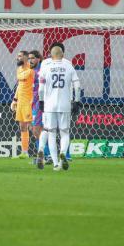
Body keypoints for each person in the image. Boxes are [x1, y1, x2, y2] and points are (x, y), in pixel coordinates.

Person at [37, 42, 82, 172]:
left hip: (50, 105)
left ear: (51, 55)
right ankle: (63, 153)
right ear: (62, 54)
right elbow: (77, 86)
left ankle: (56, 163)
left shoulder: (46, 67)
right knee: (64, 132)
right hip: (65, 104)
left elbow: (40, 88)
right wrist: (76, 101)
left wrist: (41, 101)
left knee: (51, 133)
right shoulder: (69, 66)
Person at [11, 50, 34, 157]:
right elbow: (20, 85)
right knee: (22, 126)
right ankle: (25, 152)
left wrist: (34, 99)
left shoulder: (32, 69)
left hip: (29, 102)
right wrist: (15, 100)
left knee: (33, 127)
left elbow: (37, 86)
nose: (17, 58)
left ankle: (42, 150)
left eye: (19, 56)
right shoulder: (19, 69)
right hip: (21, 102)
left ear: (25, 57)